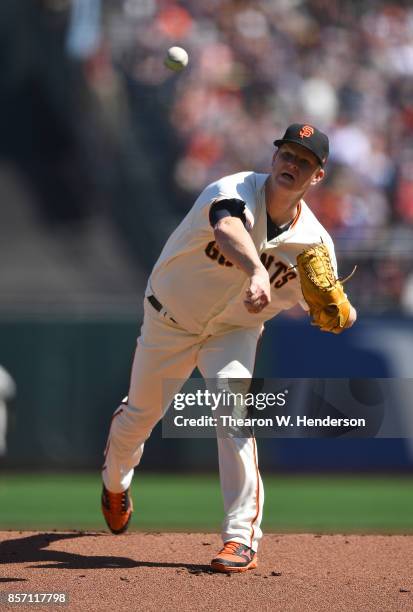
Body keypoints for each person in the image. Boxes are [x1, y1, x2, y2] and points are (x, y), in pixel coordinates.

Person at [101, 123, 357, 572]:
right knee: (139, 418)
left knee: (234, 417)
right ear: (274, 157)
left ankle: (241, 538)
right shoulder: (234, 187)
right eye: (287, 154)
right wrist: (258, 271)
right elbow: (226, 227)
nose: (292, 165)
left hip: (233, 332)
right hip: (169, 318)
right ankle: (115, 483)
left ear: (317, 176)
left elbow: (340, 309)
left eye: (305, 161)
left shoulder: (315, 244)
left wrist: (339, 313)